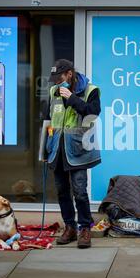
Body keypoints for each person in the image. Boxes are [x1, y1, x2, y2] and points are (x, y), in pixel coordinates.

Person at [45, 59, 101, 249]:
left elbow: (93, 114)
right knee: (62, 191)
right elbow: (48, 119)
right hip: (57, 148)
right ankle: (69, 226)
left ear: (69, 74)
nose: (56, 82)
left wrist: (72, 98)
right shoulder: (53, 91)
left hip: (78, 148)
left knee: (79, 191)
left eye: (59, 78)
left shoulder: (91, 90)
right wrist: (45, 147)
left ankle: (85, 228)